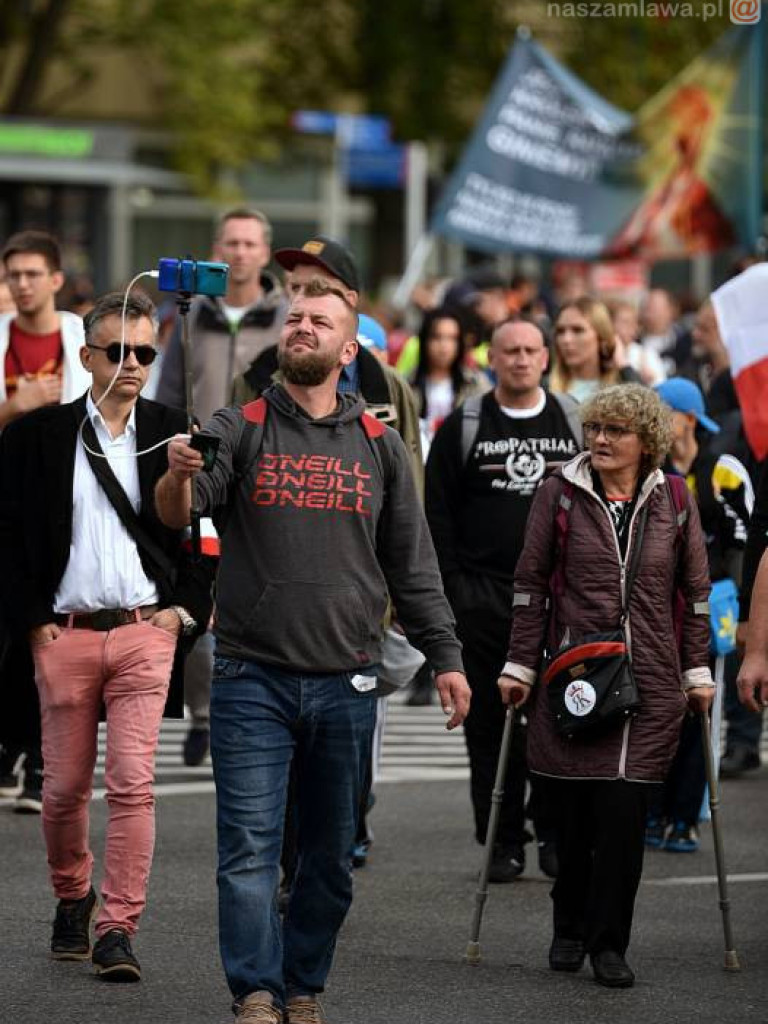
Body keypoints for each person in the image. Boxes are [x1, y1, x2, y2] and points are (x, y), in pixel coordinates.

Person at [156, 278, 470, 1024]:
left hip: (347, 682)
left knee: (329, 861)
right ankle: (257, 991)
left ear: (348, 347)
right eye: (294, 318)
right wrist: (177, 473)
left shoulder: (380, 445)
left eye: (319, 321)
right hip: (249, 675)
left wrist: (448, 658)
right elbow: (181, 512)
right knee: (248, 852)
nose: (300, 328)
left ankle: (303, 986)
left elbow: (413, 565)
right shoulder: (240, 424)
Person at [0, 291, 214, 981]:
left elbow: (203, 535)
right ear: (86, 355)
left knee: (132, 782)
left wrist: (183, 613)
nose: (132, 363)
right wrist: (33, 622)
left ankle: (118, 928)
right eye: (118, 350)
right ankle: (72, 894)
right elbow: (6, 536)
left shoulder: (172, 431)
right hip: (62, 634)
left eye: (145, 352)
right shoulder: (36, 437)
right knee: (62, 790)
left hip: (142, 633)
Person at [498, 383, 713, 989]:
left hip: (650, 679)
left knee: (623, 815)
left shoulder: (675, 499)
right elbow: (530, 584)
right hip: (576, 675)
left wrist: (696, 672)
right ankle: (568, 924)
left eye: (615, 430)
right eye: (595, 428)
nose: (600, 439)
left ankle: (608, 942)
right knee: (571, 816)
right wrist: (520, 666)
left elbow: (694, 596)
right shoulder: (557, 494)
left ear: (646, 442)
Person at [425, 319, 582, 883]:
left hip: (561, 602)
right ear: (492, 357)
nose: (520, 359)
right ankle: (501, 839)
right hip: (484, 601)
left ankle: (557, 834)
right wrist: (454, 593)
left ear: (546, 357)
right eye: (509, 350)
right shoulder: (464, 425)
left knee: (563, 720)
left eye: (530, 350)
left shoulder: (572, 422)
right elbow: (435, 514)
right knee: (490, 725)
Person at [156, 207, 288, 766]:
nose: (238, 252)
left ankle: (254, 704)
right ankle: (203, 713)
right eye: (230, 242)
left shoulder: (286, 317)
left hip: (262, 465)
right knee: (196, 587)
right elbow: (164, 394)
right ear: (217, 247)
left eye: (249, 243)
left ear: (264, 251)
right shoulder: (191, 314)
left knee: (256, 585)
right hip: (201, 466)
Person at [0, 230, 91, 813]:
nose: (23, 284)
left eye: (34, 274)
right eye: (15, 275)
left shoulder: (81, 340)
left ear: (56, 280)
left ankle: (37, 760)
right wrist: (16, 405)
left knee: (47, 634)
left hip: (56, 506)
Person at [647, 378, 752, 850]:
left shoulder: (723, 468)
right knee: (651, 711)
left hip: (709, 607)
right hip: (653, 608)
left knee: (697, 710)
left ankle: (685, 817)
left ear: (686, 417)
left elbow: (745, 540)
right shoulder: (648, 468)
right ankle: (651, 812)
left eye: (660, 413)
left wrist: (747, 611)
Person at [233, 234, 422, 486]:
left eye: (316, 288)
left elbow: (408, 486)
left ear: (349, 301)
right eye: (295, 287)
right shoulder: (254, 380)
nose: (302, 298)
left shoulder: (389, 388)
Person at [409, 306, 490, 451]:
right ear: (424, 340)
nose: (444, 346)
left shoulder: (476, 384)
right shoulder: (407, 384)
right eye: (437, 337)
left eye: (452, 338)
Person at [548, 296, 639, 402]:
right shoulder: (544, 389)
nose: (566, 340)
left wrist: (624, 366)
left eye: (578, 330)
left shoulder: (621, 387)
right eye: (560, 331)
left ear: (601, 336)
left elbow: (647, 412)